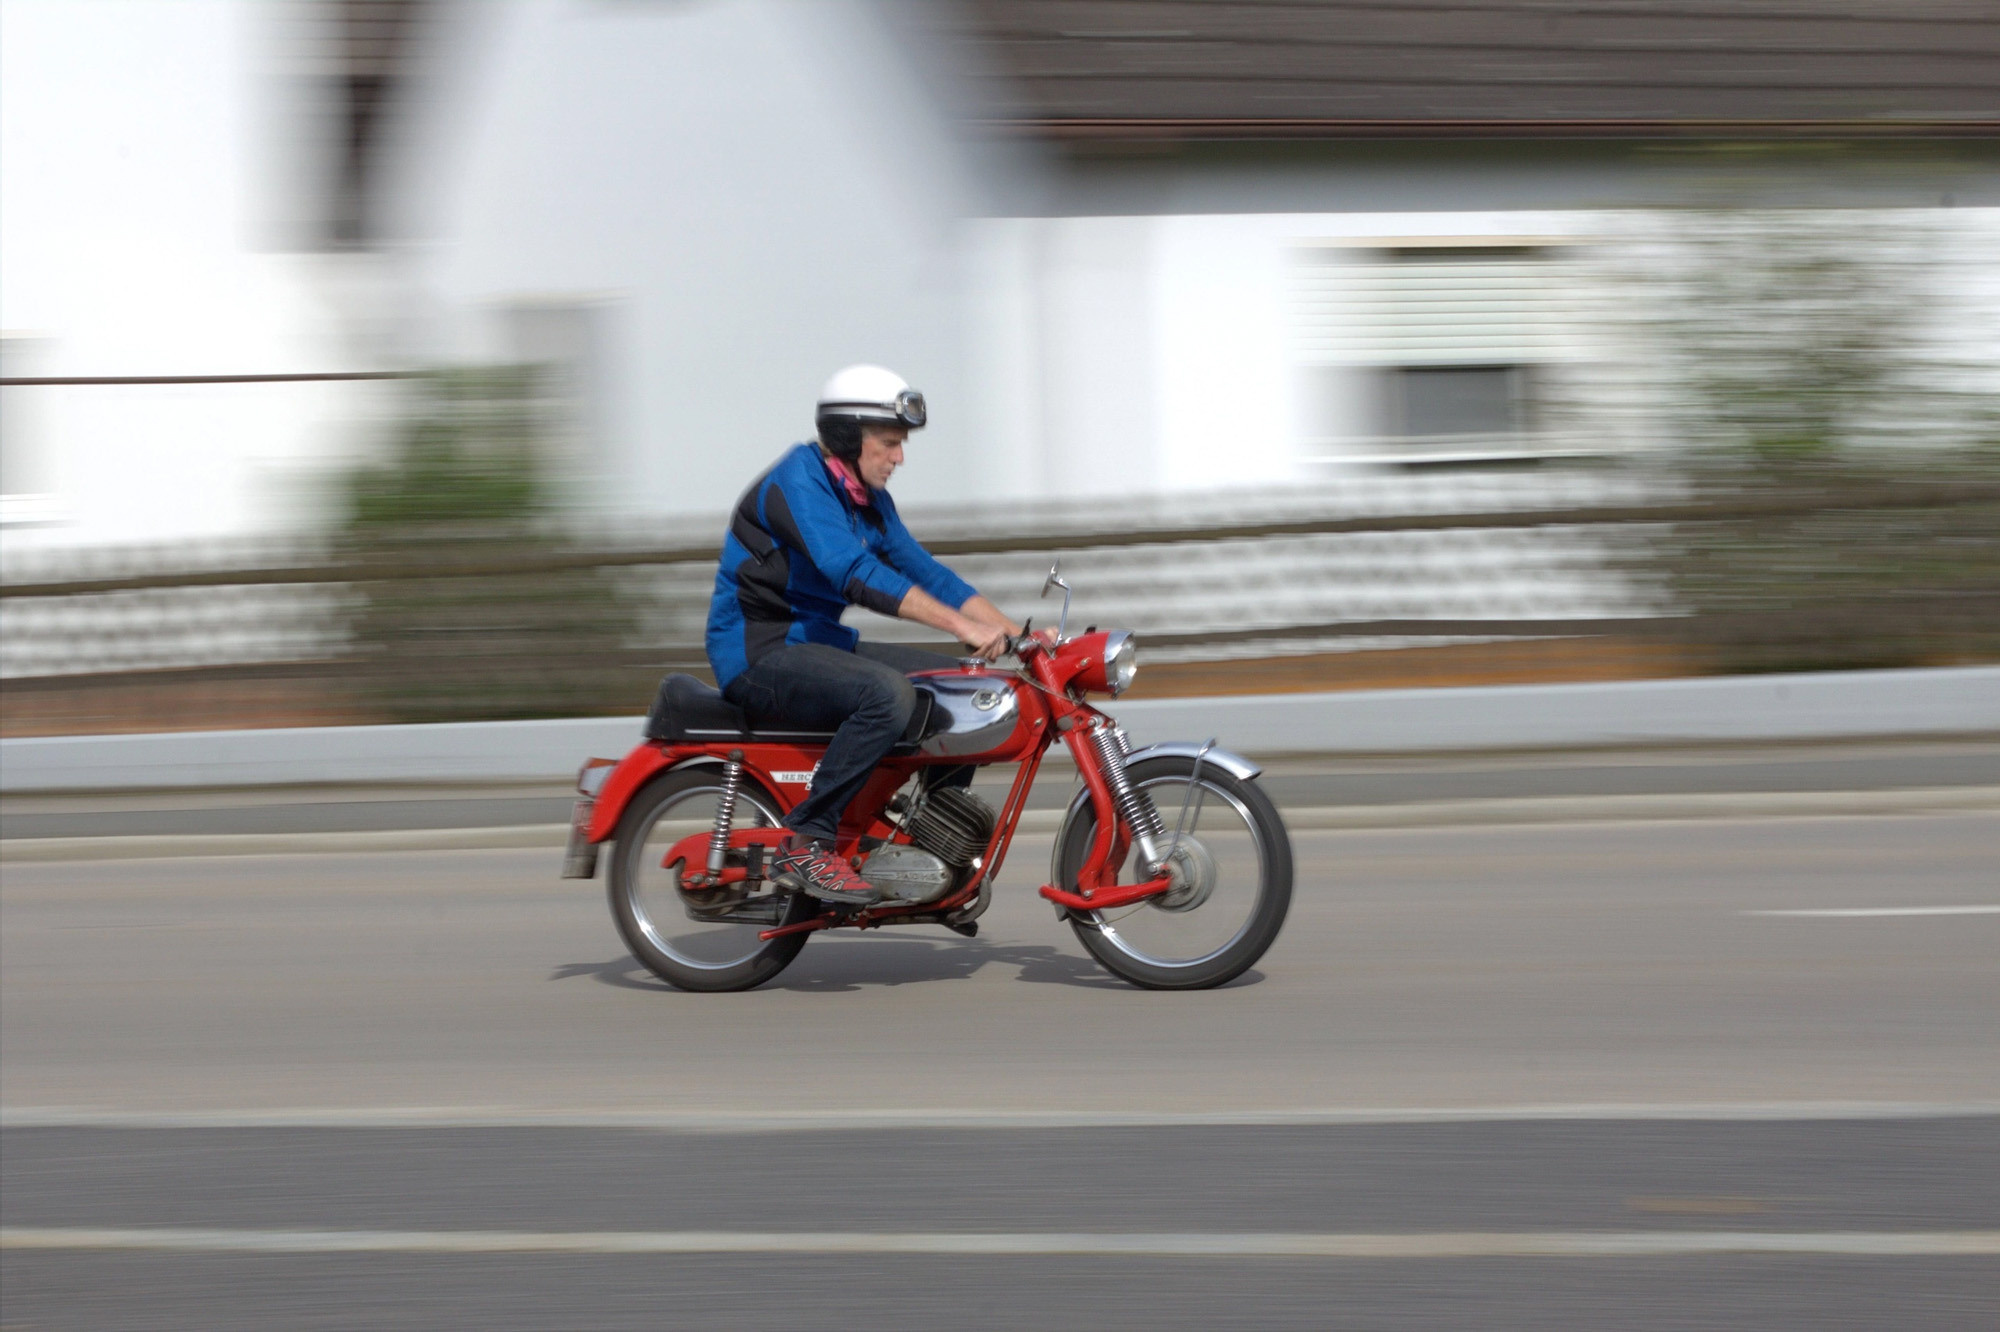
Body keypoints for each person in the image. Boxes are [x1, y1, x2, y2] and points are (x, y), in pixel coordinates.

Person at [704, 365, 1031, 906]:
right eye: (889, 443)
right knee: (887, 695)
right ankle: (807, 841)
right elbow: (850, 571)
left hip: (818, 643)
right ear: (847, 438)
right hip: (757, 650)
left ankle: (930, 856)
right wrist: (961, 626)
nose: (899, 457)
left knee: (965, 691)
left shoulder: (868, 500)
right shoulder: (799, 482)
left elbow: (928, 574)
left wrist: (1012, 633)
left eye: (901, 445)